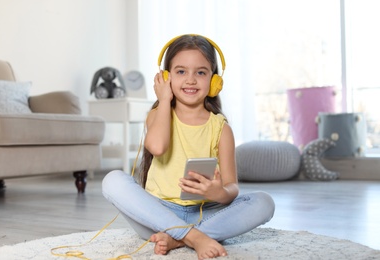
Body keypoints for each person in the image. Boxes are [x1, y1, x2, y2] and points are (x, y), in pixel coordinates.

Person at [102, 34, 275, 259]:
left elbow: (232, 187)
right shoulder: (158, 113)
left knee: (264, 202)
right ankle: (195, 238)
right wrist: (164, 100)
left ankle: (179, 238)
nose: (190, 80)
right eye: (181, 71)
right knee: (112, 180)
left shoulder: (221, 128)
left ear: (214, 82)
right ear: (166, 77)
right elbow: (157, 146)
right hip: (157, 217)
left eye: (201, 72)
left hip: (204, 215)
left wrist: (219, 192)